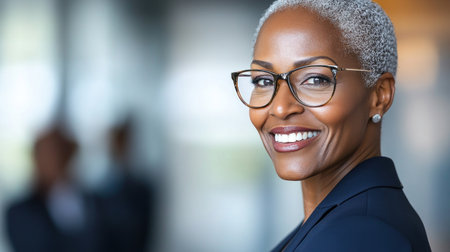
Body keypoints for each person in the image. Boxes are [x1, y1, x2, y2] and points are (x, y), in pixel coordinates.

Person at [231, 0, 431, 251]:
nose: (280, 108)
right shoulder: (342, 221)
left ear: (379, 95)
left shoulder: (361, 235)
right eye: (263, 81)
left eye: (315, 79)